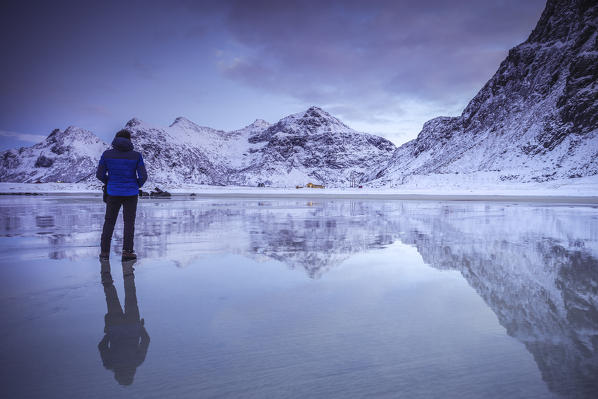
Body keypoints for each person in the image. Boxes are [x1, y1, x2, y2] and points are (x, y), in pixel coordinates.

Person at [96, 129, 147, 261]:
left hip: (112, 193)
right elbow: (143, 176)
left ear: (116, 138)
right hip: (131, 193)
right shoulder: (136, 156)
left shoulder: (107, 154)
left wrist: (110, 182)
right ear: (129, 140)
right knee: (129, 223)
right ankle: (127, 252)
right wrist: (136, 185)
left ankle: (104, 252)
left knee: (109, 222)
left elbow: (99, 175)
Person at [98, 259, 150, 386]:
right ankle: (105, 268)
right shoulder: (110, 364)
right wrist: (108, 333)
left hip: (133, 324)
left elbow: (146, 340)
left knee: (130, 293)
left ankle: (127, 268)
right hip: (115, 327)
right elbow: (102, 346)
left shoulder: (138, 361)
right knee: (110, 294)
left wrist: (140, 328)